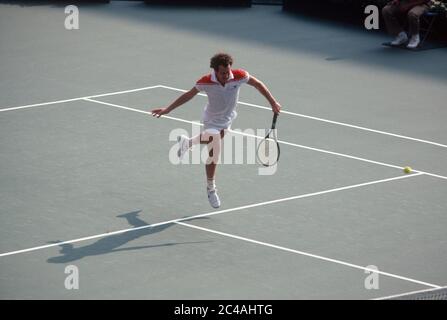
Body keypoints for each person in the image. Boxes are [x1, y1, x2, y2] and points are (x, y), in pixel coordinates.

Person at [151, 53, 281, 208]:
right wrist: (168, 109)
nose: (226, 75)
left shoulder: (239, 76)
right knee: (215, 148)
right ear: (215, 71)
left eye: (228, 72)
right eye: (223, 73)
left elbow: (258, 84)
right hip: (211, 120)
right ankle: (211, 188)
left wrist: (272, 102)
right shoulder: (206, 81)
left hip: (227, 119)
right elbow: (189, 95)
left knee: (213, 138)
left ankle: (188, 142)